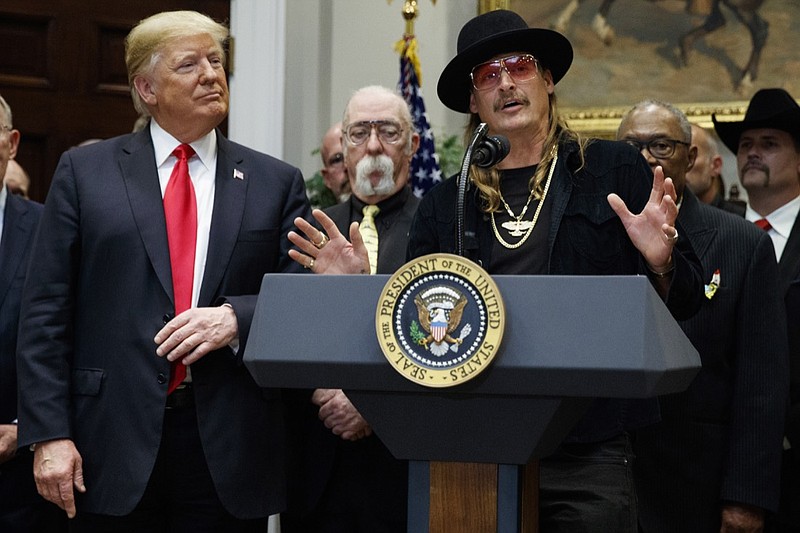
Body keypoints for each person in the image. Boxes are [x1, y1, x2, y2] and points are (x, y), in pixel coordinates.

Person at [288, 10, 704, 532]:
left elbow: (690, 300)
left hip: (586, 442)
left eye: (520, 66)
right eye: (488, 74)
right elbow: (414, 331)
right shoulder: (448, 201)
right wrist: (358, 296)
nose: (506, 81)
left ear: (548, 79)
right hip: (470, 442)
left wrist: (660, 261)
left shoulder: (611, 170)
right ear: (473, 100)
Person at [15, 11, 310, 531]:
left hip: (226, 445)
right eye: (190, 64)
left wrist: (237, 319)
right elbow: (44, 312)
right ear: (146, 88)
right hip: (105, 442)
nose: (211, 75)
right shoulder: (85, 174)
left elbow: (301, 298)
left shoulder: (274, 181)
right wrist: (48, 434)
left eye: (217, 62)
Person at [618, 100, 788, 533]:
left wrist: (746, 499)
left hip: (697, 486)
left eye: (660, 145)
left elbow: (761, 384)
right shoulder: (596, 233)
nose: (644, 158)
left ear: (690, 157)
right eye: (631, 146)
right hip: (607, 484)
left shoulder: (742, 243)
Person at [282, 85, 419, 533]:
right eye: (359, 132)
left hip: (406, 462)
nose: (373, 145)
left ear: (413, 145)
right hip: (319, 463)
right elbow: (284, 329)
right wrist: (322, 389)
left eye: (389, 131)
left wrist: (370, 401)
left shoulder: (439, 227)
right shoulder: (309, 229)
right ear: (342, 147)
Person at [713, 87, 800, 531]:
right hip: (725, 461)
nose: (752, 153)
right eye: (745, 144)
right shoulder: (714, 236)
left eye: (769, 144)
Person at [0, 96, 65, 533]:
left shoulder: (51, 230)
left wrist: (25, 427)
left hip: (21, 481)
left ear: (12, 144)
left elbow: (69, 336)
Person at [685, 123, 745, 216]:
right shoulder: (664, 217)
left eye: (690, 157)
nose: (681, 165)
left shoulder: (741, 220)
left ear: (715, 165)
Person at [320, 121, 351, 204]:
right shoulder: (316, 217)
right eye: (337, 159)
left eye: (351, 155)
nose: (347, 166)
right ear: (327, 178)